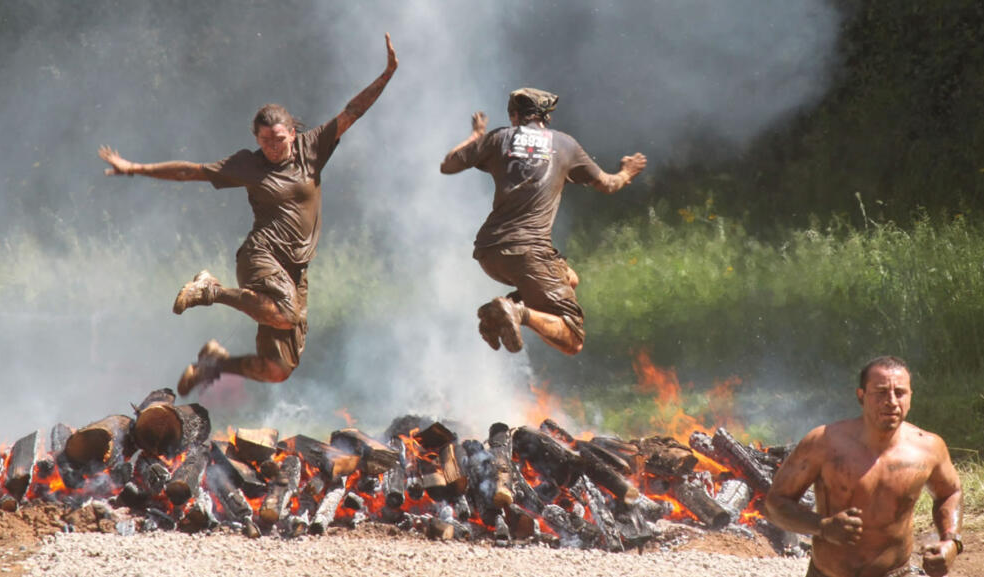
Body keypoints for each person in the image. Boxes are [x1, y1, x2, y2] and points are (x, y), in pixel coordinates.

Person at [98, 34, 398, 396]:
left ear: (293, 133)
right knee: (285, 315)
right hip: (261, 255)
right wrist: (134, 167)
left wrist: (386, 75)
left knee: (277, 370)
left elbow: (352, 111)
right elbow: (190, 171)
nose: (273, 148)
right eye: (265, 141)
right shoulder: (247, 165)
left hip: (295, 269)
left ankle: (214, 365)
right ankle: (210, 289)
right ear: (256, 138)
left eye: (280, 140)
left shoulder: (313, 148)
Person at [440, 88, 646, 355]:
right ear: (546, 117)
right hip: (528, 251)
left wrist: (477, 135)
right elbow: (608, 184)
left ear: (514, 116)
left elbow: (449, 164)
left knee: (569, 278)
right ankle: (516, 312)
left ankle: (498, 312)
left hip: (489, 251)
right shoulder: (565, 145)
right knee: (573, 339)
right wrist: (627, 172)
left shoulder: (498, 138)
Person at [765, 356, 963, 577]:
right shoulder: (823, 443)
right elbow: (775, 504)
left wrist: (951, 541)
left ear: (910, 397)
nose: (891, 401)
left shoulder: (929, 448)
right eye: (880, 393)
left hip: (897, 573)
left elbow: (950, 492)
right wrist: (823, 526)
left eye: (900, 392)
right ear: (861, 396)